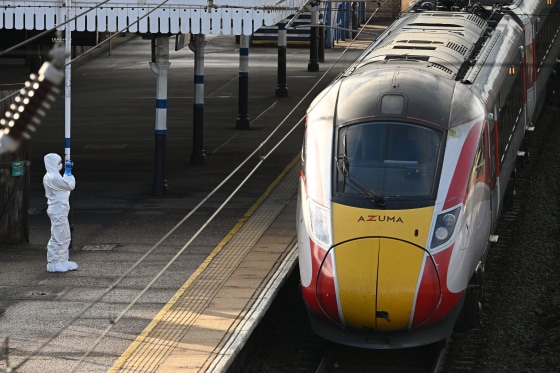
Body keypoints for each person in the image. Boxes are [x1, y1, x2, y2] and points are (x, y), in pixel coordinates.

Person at [43, 153, 78, 273]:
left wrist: (66, 174)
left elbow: (63, 185)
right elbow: (69, 185)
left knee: (65, 236)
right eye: (58, 162)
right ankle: (54, 262)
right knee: (58, 237)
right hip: (57, 210)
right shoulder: (53, 177)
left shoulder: (54, 176)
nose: (60, 165)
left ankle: (62, 260)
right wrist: (68, 173)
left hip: (61, 210)